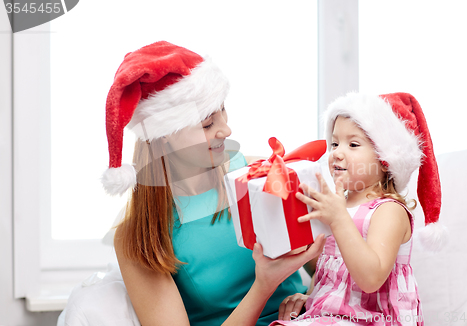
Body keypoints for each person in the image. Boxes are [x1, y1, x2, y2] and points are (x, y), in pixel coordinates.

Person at [60, 41, 326, 326]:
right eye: (207, 123)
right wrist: (264, 285)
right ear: (165, 135)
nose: (226, 129)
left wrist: (312, 295)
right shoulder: (141, 234)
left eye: (223, 112)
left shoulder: (261, 176)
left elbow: (329, 261)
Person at [270, 92, 446, 325]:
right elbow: (328, 270)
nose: (336, 153)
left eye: (353, 144)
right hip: (332, 317)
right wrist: (312, 298)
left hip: (372, 319)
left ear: (385, 159)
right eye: (334, 143)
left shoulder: (388, 211)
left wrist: (338, 219)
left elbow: (371, 279)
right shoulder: (336, 206)